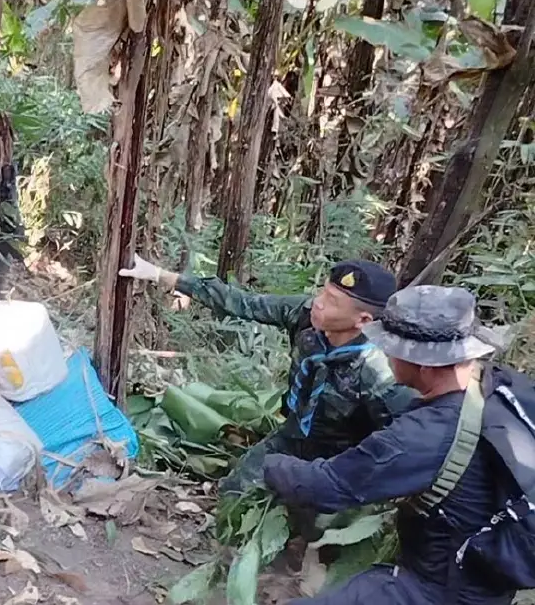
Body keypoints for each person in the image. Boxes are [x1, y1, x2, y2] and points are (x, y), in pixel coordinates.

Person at [262, 285, 534, 604]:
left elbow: (324, 487)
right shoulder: (503, 385)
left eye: (392, 349)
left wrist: (272, 465)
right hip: (486, 575)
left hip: (439, 591)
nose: (386, 355)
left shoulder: (421, 436)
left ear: (422, 364)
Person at [120, 255, 419, 497]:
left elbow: (402, 441)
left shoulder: (380, 373)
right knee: (235, 493)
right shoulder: (305, 316)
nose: (318, 302)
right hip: (294, 436)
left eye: (332, 301)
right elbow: (242, 302)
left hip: (341, 462)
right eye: (322, 292)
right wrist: (158, 274)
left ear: (362, 320)